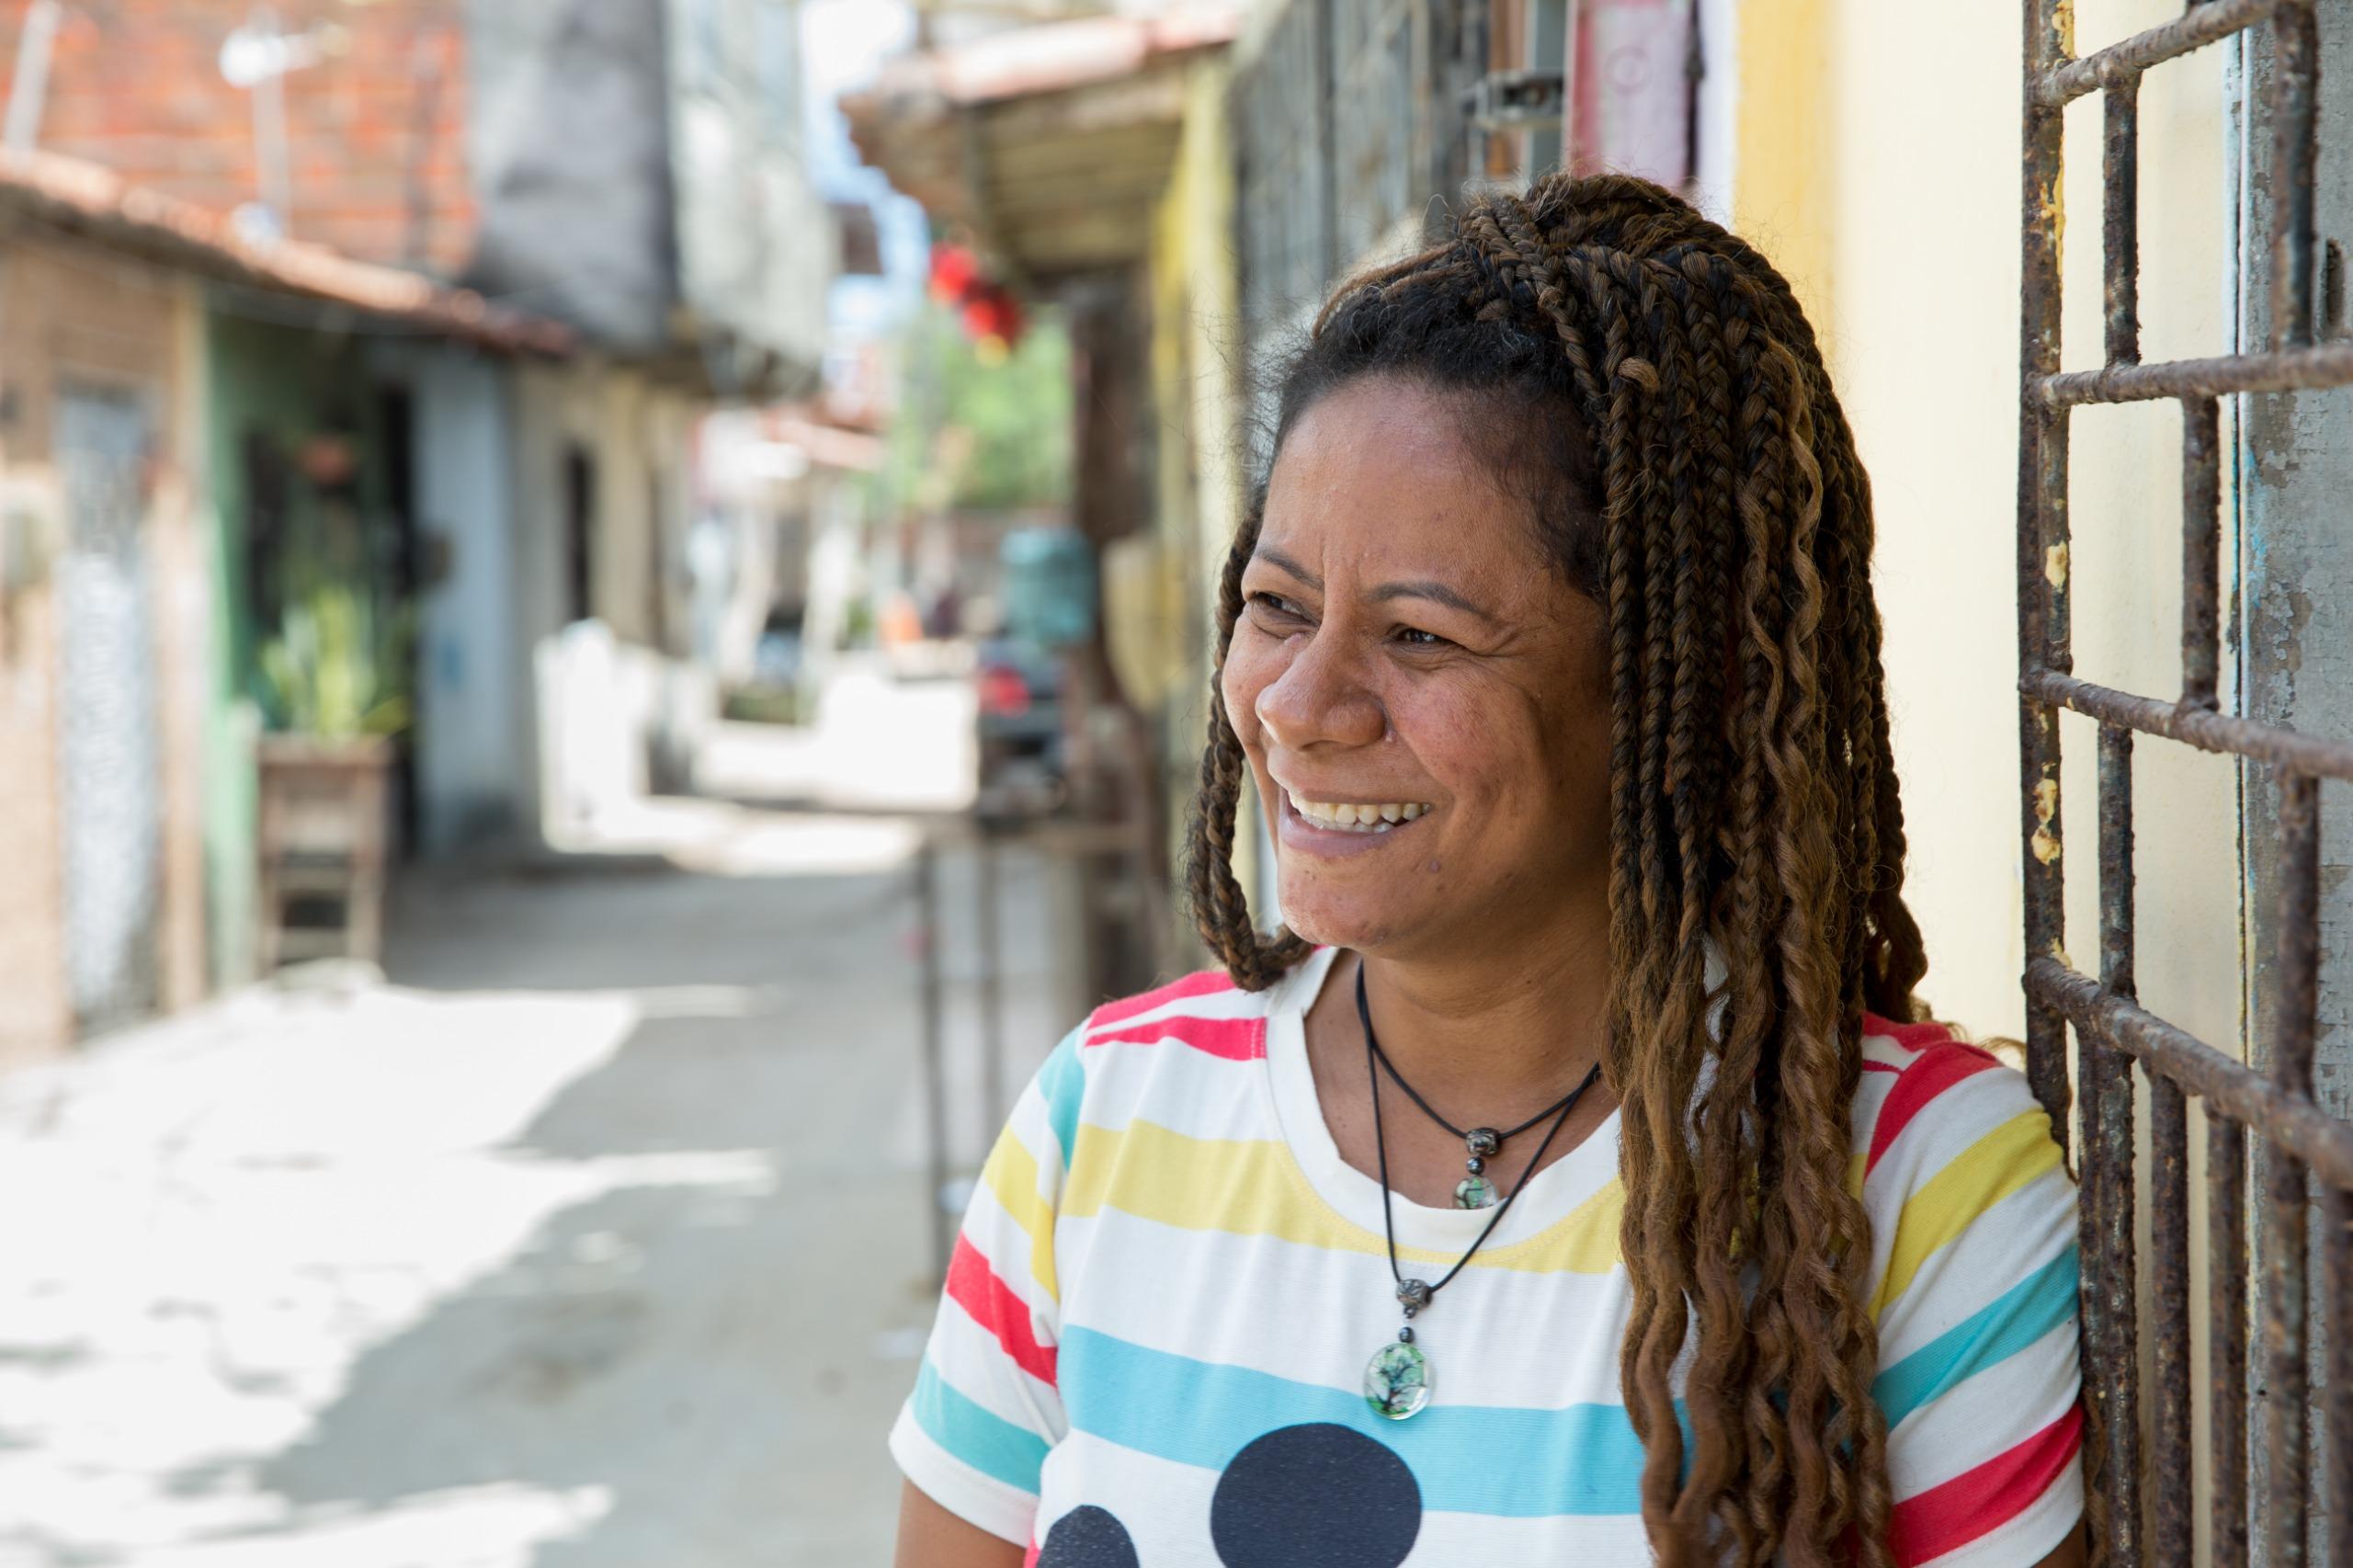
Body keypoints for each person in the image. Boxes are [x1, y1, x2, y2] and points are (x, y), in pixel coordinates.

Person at [889, 173, 2086, 1568]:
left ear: (1663, 689)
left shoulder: (1909, 1193)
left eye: (1420, 636)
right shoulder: (1103, 1122)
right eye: (1277, 607)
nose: (1298, 703)